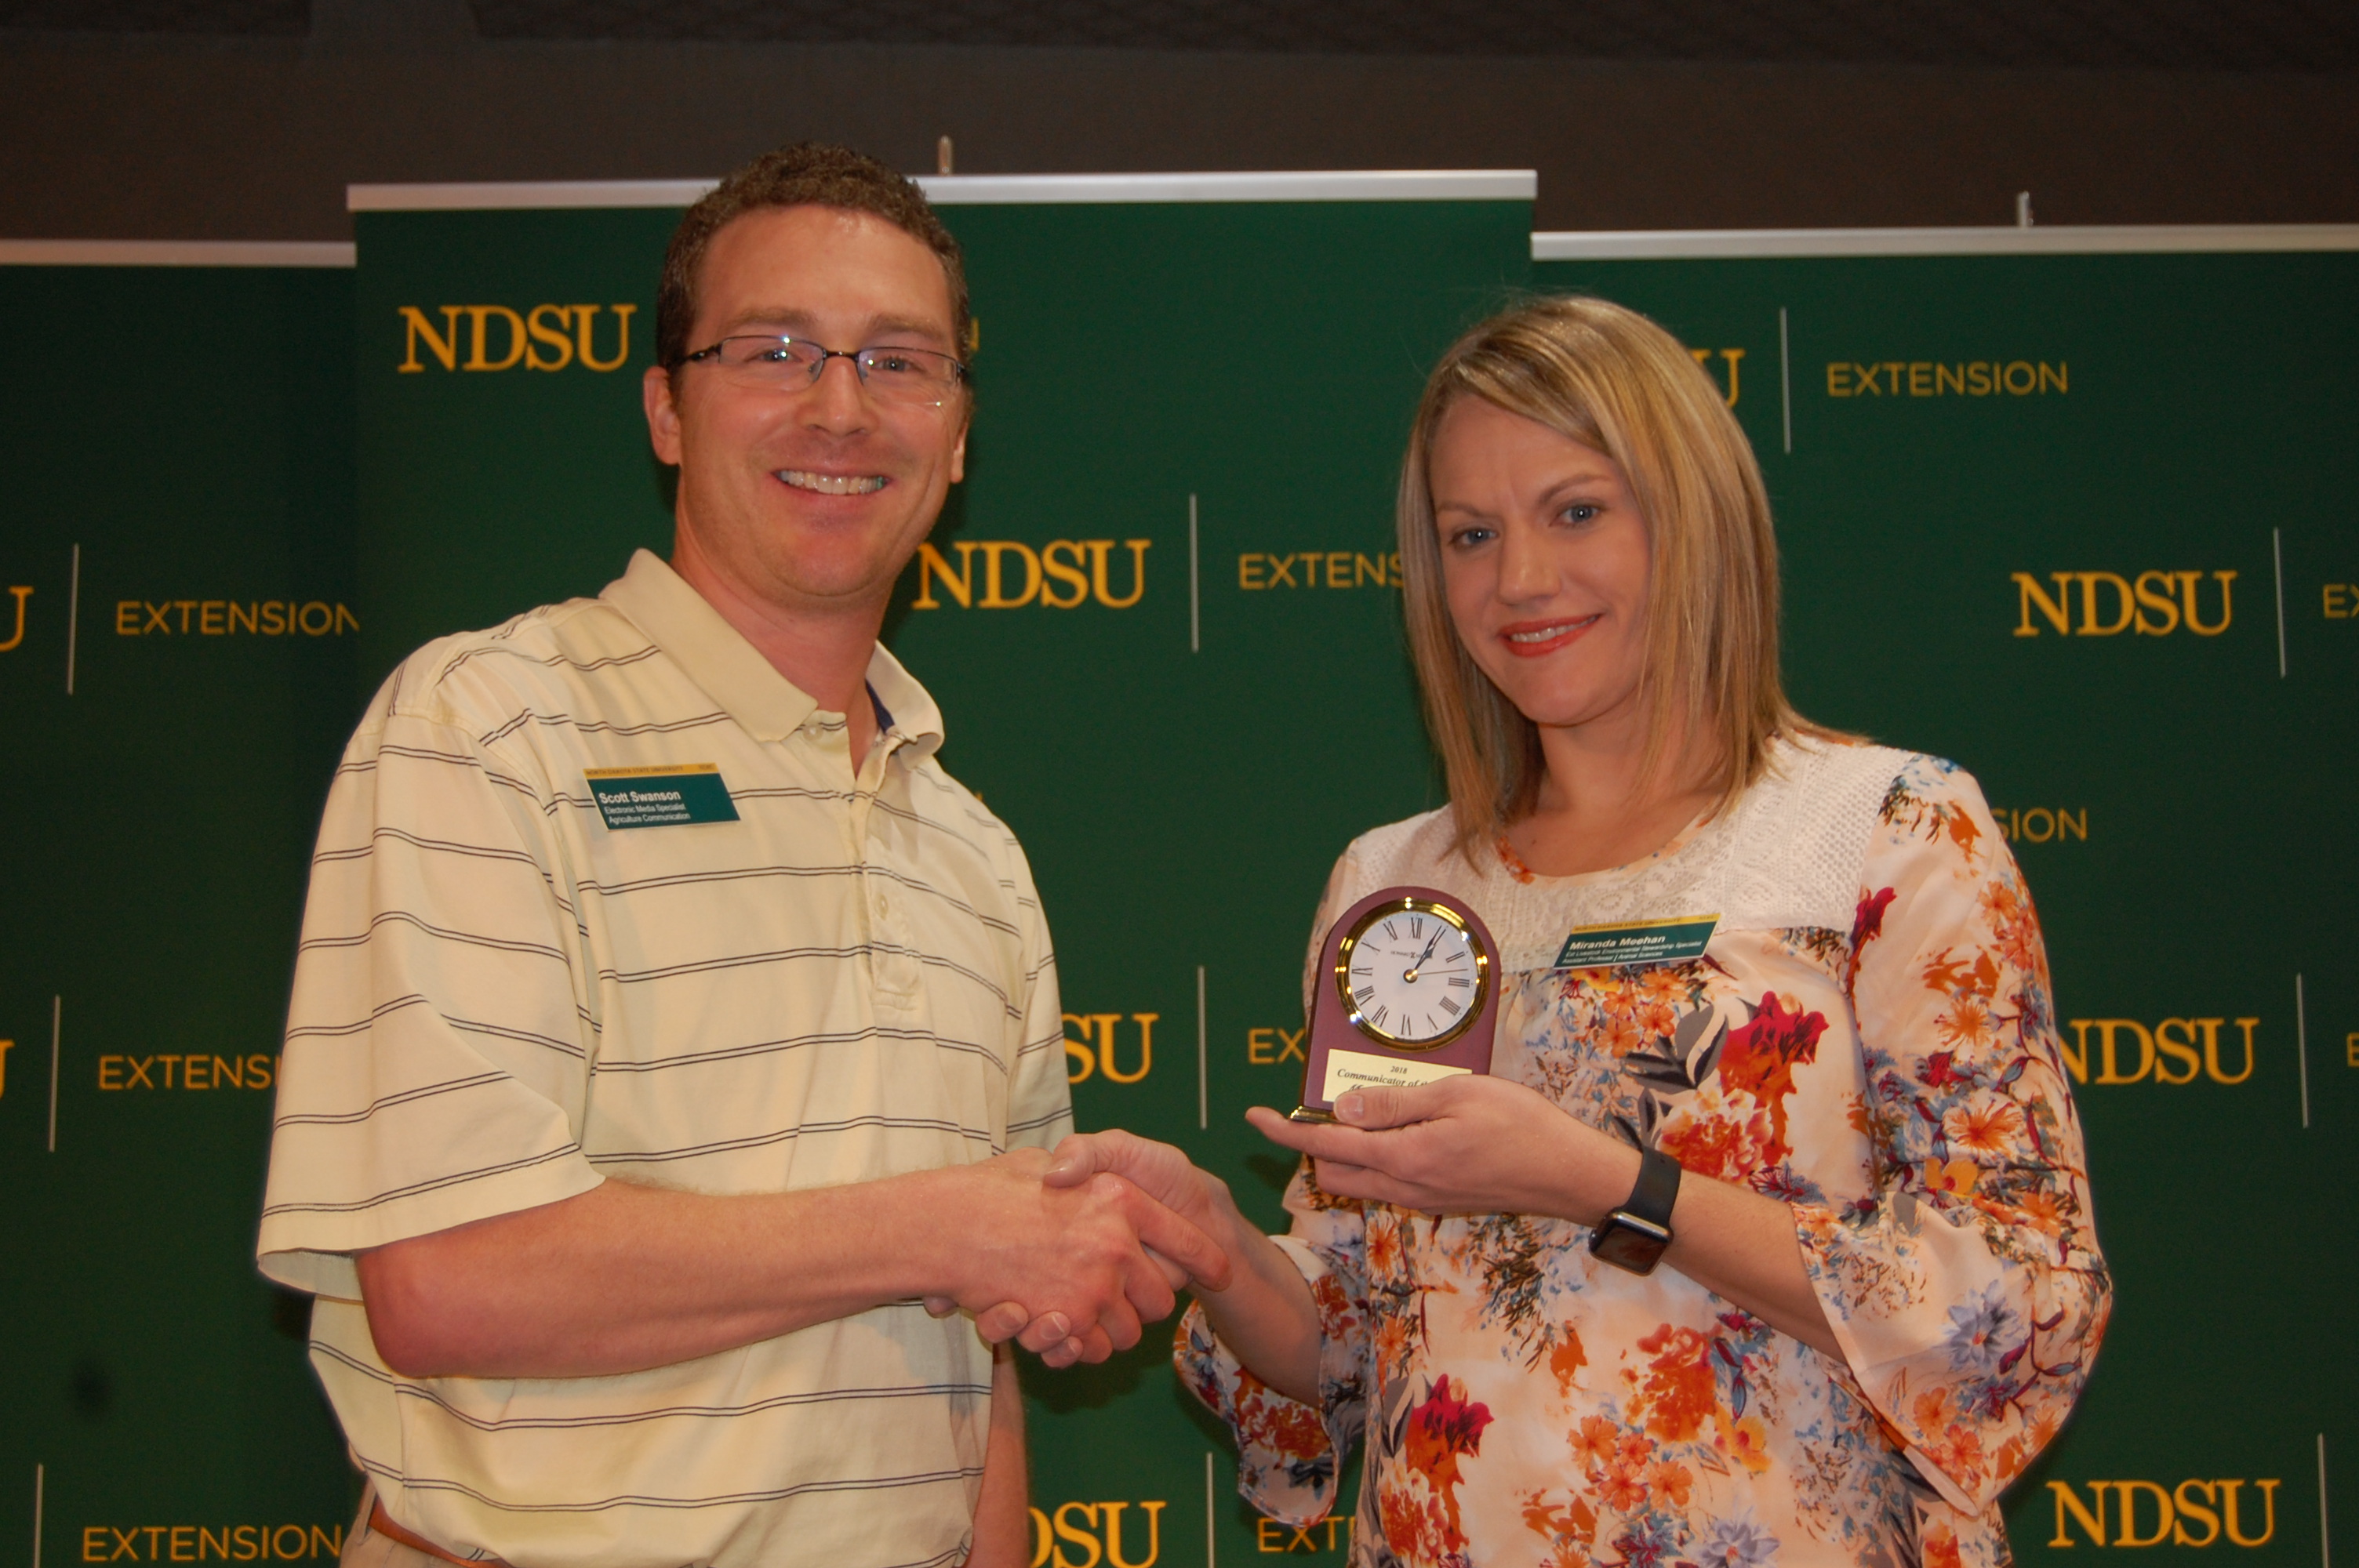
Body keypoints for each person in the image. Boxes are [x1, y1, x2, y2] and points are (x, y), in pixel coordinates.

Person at [255, 143, 1229, 1568]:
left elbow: (981, 1359)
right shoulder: (487, 728)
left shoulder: (975, 857)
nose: (840, 406)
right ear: (665, 406)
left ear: (957, 433)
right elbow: (446, 1281)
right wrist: (943, 1228)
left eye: (900, 362)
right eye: (774, 348)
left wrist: (983, 1256)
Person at [1031, 296, 2110, 1566]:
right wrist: (1218, 1248)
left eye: (1577, 511)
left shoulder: (1886, 832)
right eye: (1471, 534)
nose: (1520, 580)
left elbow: (2017, 1306)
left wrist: (1614, 1184)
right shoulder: (1396, 882)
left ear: (1691, 515)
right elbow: (1347, 1345)